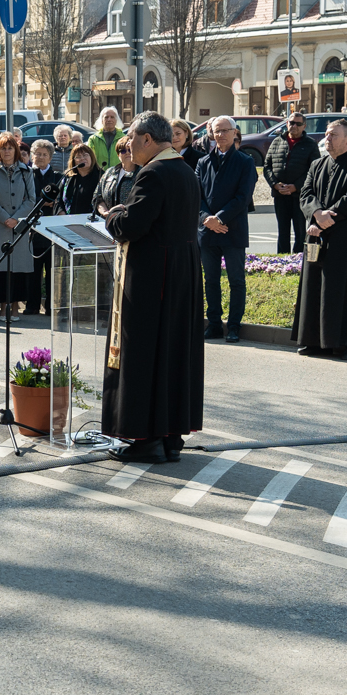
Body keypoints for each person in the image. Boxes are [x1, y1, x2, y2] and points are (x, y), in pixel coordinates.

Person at [101, 111, 204, 463]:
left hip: (153, 278)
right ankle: (169, 437)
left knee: (146, 353)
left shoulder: (153, 173)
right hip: (179, 274)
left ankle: (146, 439)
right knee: (171, 354)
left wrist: (112, 216)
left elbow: (132, 226)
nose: (128, 144)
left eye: (131, 137)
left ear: (147, 138)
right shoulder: (184, 169)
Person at [293, 120, 347, 361]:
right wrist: (317, 213)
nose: (327, 139)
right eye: (327, 134)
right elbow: (306, 194)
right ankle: (315, 341)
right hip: (319, 234)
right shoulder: (317, 164)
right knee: (316, 286)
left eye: (334, 135)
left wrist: (325, 218)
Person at [195, 116, 257, 343]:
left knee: (236, 281)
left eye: (225, 130)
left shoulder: (245, 162)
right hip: (207, 231)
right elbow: (196, 196)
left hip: (233, 229)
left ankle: (233, 326)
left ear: (234, 133)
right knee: (210, 280)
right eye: (216, 131)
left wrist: (219, 218)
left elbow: (243, 197)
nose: (220, 135)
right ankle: (213, 325)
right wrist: (206, 219)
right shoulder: (203, 162)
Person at [0, 134, 34, 322]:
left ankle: (15, 308)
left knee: (18, 268)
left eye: (10, 148)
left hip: (19, 226)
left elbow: (31, 200)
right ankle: (3, 307)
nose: (7, 151)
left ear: (16, 150)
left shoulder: (26, 171)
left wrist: (16, 218)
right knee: (1, 268)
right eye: (3, 148)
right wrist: (5, 218)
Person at [263, 111, 319, 254]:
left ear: (304, 126)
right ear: (287, 123)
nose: (294, 126)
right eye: (291, 123)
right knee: (282, 230)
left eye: (298, 124)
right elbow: (267, 166)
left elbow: (314, 171)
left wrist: (296, 187)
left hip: (300, 196)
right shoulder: (277, 141)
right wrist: (275, 184)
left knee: (300, 231)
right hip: (280, 194)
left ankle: (298, 258)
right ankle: (283, 257)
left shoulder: (310, 144)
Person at [25, 139, 63, 316]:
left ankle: (50, 307)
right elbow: (27, 199)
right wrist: (41, 202)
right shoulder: (27, 175)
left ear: (50, 157)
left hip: (52, 229)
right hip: (32, 229)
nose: (40, 157)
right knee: (33, 270)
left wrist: (53, 203)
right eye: (37, 154)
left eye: (44, 154)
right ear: (32, 156)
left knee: (52, 270)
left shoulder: (58, 177)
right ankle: (32, 305)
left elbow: (61, 199)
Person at [93, 137, 138, 217]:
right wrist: (105, 212)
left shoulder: (142, 173)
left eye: (130, 150)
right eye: (123, 151)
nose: (127, 153)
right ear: (118, 155)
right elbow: (97, 196)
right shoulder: (109, 172)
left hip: (131, 220)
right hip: (107, 220)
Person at [60, 142, 102, 216]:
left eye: (85, 155)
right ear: (73, 160)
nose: (82, 158)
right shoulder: (68, 177)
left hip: (93, 219)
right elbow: (58, 199)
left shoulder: (101, 176)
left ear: (91, 157)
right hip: (69, 219)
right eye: (78, 156)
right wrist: (61, 213)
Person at [88, 106, 124, 172]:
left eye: (112, 117)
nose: (109, 119)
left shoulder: (124, 138)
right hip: (99, 174)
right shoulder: (93, 139)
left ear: (116, 120)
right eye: (106, 117)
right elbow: (89, 159)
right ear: (102, 120)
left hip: (118, 174)